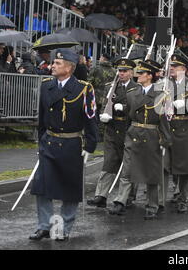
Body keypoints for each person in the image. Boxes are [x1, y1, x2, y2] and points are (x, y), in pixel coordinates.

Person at [29, 48, 98, 241]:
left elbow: (91, 118)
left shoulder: (83, 88)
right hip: (49, 141)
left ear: (69, 68)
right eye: (53, 63)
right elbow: (42, 117)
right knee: (42, 187)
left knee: (69, 189)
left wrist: (90, 146)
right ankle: (44, 225)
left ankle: (63, 228)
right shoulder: (46, 85)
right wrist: (41, 141)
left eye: (57, 64)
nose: (52, 66)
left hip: (70, 143)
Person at [87, 58, 138, 212]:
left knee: (127, 165)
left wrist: (123, 106)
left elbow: (138, 109)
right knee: (109, 163)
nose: (121, 73)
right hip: (112, 129)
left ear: (131, 72)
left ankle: (126, 197)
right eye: (119, 70)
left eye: (124, 71)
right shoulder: (111, 87)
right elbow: (103, 104)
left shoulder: (136, 89)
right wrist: (104, 113)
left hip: (127, 129)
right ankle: (101, 196)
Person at [126, 60, 172, 220]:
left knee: (152, 173)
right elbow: (130, 115)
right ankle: (126, 200)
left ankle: (152, 205)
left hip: (152, 135)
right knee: (131, 169)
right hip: (136, 133)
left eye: (142, 73)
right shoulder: (132, 93)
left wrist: (166, 140)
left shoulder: (160, 96)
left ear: (150, 76)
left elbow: (164, 119)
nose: (138, 76)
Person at [168, 54, 188, 213]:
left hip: (186, 126)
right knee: (170, 163)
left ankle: (183, 197)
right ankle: (175, 190)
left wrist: (186, 104)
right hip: (169, 126)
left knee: (186, 165)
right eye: (171, 66)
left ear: (184, 70)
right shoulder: (166, 84)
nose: (172, 68)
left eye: (176, 66)